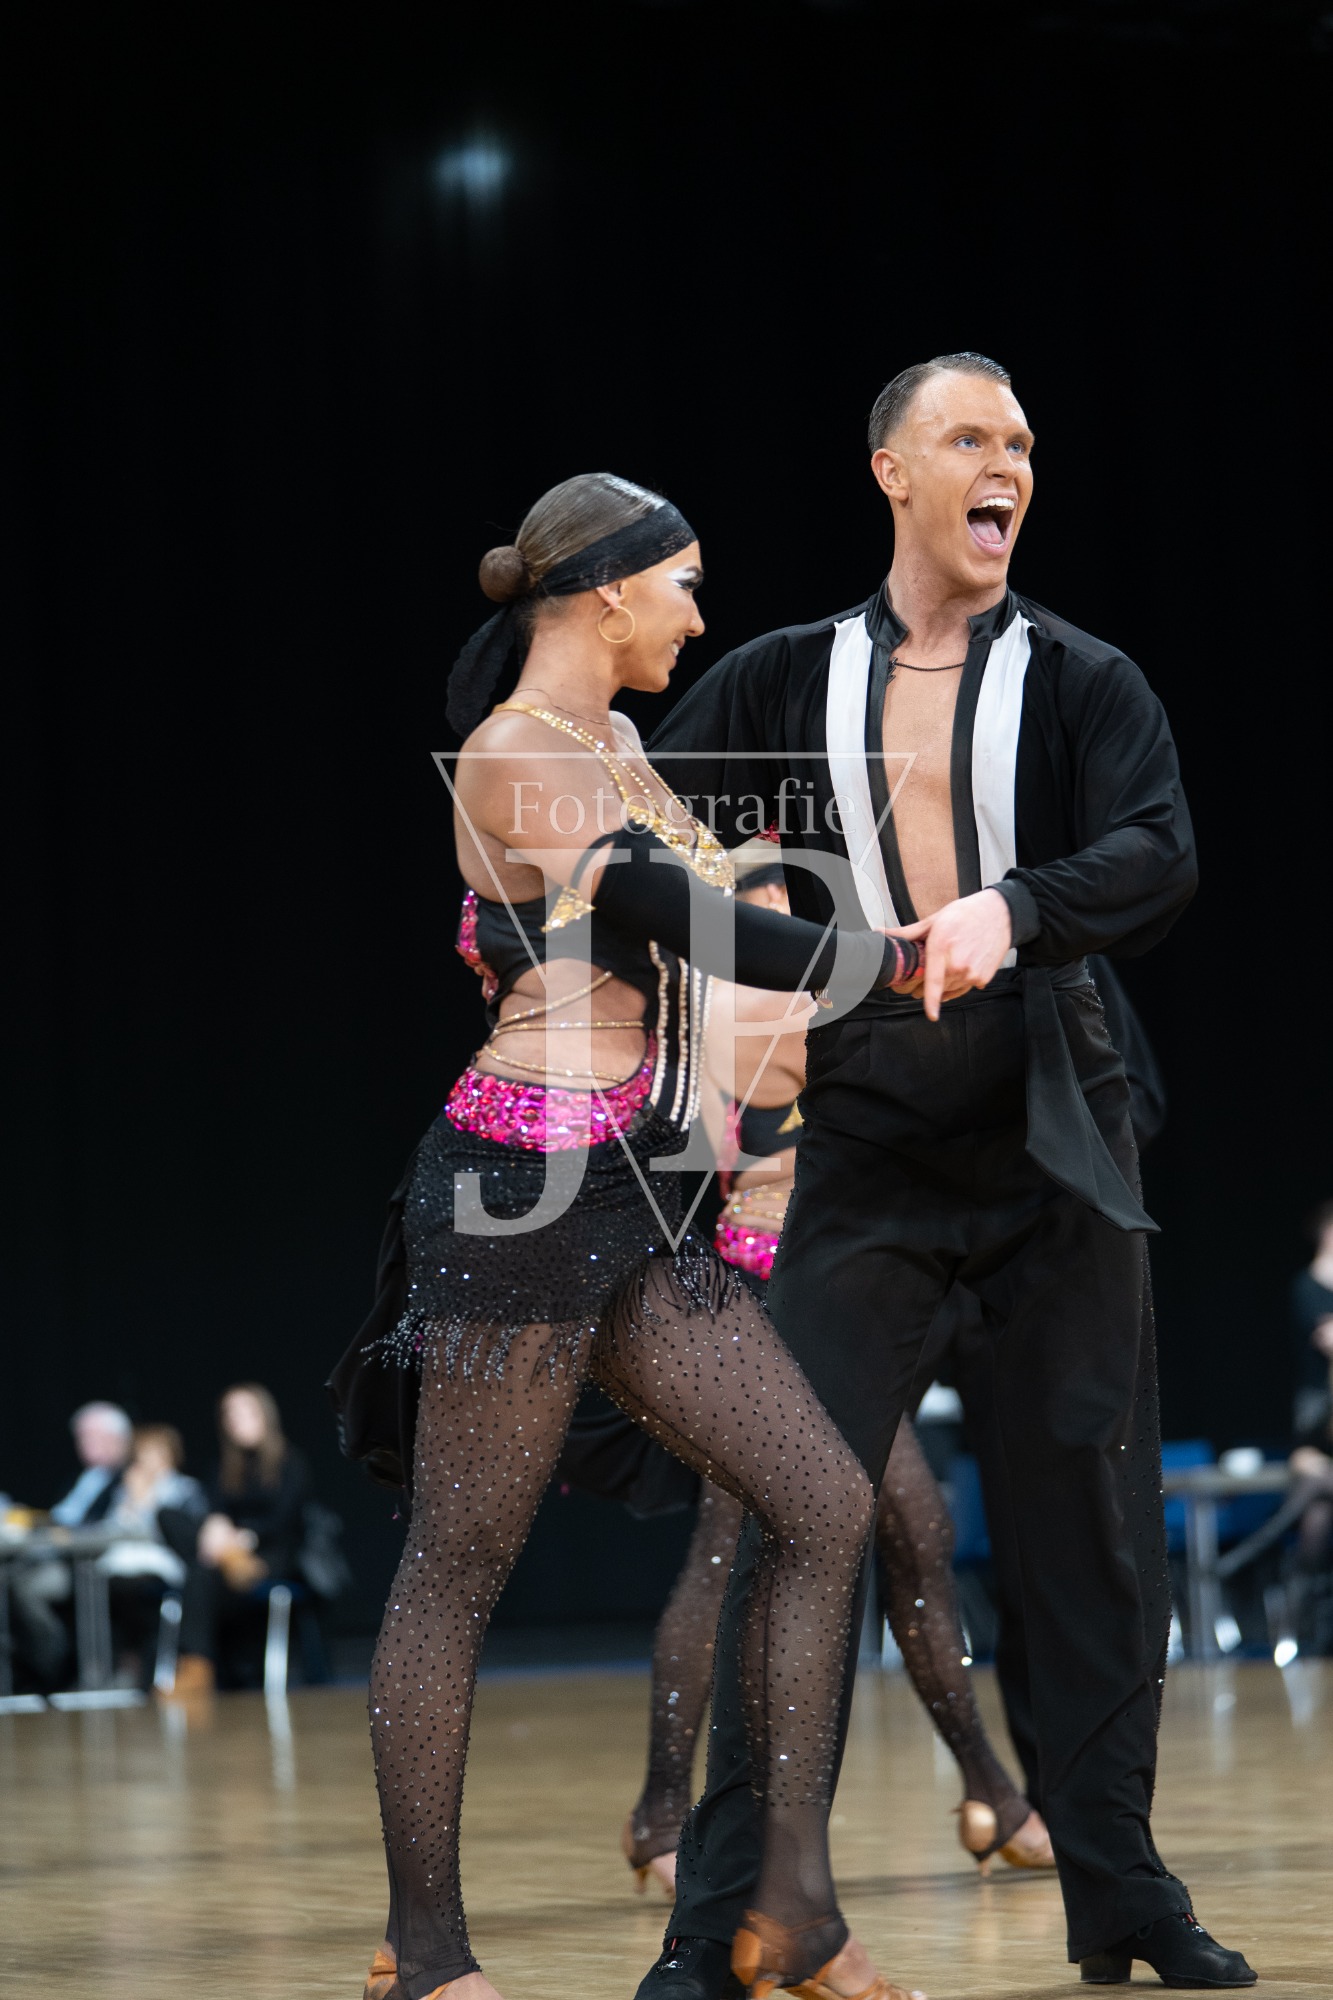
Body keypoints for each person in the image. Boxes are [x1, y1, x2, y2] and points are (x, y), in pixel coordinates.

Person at [637, 356, 1255, 1995]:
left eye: (1023, 443)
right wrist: (667, 913)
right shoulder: (786, 676)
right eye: (970, 438)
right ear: (891, 473)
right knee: (795, 1522)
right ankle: (719, 1927)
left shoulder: (1079, 676)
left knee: (1088, 1537)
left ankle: (1120, 1896)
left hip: (1056, 1138)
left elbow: (1158, 851)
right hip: (868, 1154)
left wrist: (1012, 909)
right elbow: (640, 821)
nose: (1008, 464)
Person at [329, 471, 928, 2000]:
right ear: (608, 590)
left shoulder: (621, 745)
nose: (697, 617)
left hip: (640, 1194)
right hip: (514, 1198)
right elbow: (683, 917)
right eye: (685, 585)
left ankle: (788, 1910)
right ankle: (424, 1949)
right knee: (459, 1567)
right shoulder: (510, 756)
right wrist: (883, 960)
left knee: (821, 1504)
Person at [615, 848, 1051, 1897]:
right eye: (774, 894)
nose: (789, 908)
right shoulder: (745, 997)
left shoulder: (728, 995)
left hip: (793, 1291)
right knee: (746, 1547)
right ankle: (664, 1810)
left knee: (913, 1531)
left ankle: (990, 1788)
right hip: (771, 1294)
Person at [167, 1383, 310, 1695]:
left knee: (201, 1574)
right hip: (226, 1559)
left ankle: (197, 1667)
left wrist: (246, 1537)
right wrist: (215, 1527)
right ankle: (197, 1665)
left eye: (245, 1411)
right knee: (173, 1521)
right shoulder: (222, 1468)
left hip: (271, 1554)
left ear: (265, 1415)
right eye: (229, 1414)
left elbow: (283, 1521)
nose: (236, 1420)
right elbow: (215, 1509)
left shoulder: (290, 1462)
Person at [97, 1423, 208, 1688]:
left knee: (134, 1592)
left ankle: (142, 1667)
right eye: (141, 1454)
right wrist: (130, 1502)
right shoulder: (124, 1489)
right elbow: (111, 1529)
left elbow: (180, 1534)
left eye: (153, 1452)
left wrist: (144, 1501)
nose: (147, 1460)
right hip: (122, 1564)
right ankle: (113, 1666)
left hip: (166, 1567)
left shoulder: (184, 1489)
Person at [50, 1401, 133, 1524]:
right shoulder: (86, 1476)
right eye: (81, 1438)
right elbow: (62, 1516)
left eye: (93, 1436)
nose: (85, 1444)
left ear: (119, 1438)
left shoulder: (134, 1478)